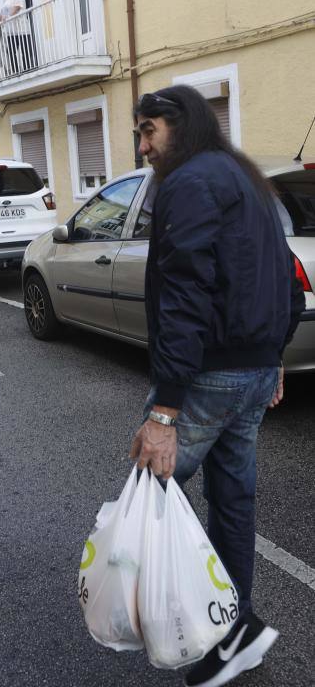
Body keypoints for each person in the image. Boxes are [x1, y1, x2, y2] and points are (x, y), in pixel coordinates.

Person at [130, 86, 305, 687]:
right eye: (140, 133)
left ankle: (187, 631)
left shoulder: (190, 183)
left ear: (183, 125)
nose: (144, 144)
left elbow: (185, 293)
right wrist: (272, 359)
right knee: (232, 503)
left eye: (150, 130)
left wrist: (166, 410)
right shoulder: (244, 177)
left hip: (208, 378)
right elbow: (284, 275)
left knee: (149, 504)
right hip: (253, 371)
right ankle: (234, 627)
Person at [0, 0, 35, 74]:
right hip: (11, 31)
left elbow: (17, 8)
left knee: (25, 50)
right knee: (10, 51)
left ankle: (27, 69)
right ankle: (16, 71)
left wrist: (8, 16)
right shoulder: (8, 0)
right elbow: (2, 13)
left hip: (22, 29)